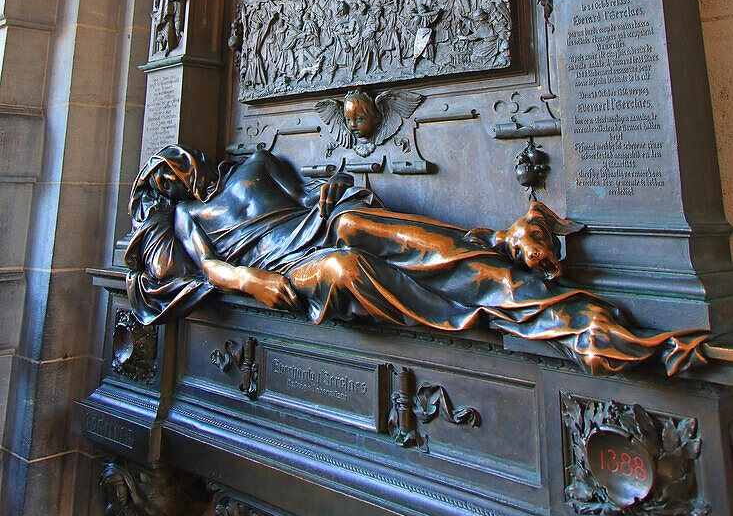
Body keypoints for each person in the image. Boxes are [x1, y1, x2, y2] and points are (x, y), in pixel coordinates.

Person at [125, 146, 708, 377]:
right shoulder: (183, 224)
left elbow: (309, 189)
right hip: (292, 267)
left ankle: (511, 265)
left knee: (354, 224)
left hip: (319, 222)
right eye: (163, 179)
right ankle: (510, 314)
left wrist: (334, 198)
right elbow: (162, 280)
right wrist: (236, 275)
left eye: (173, 165)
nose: (175, 176)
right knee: (344, 269)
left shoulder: (254, 163)